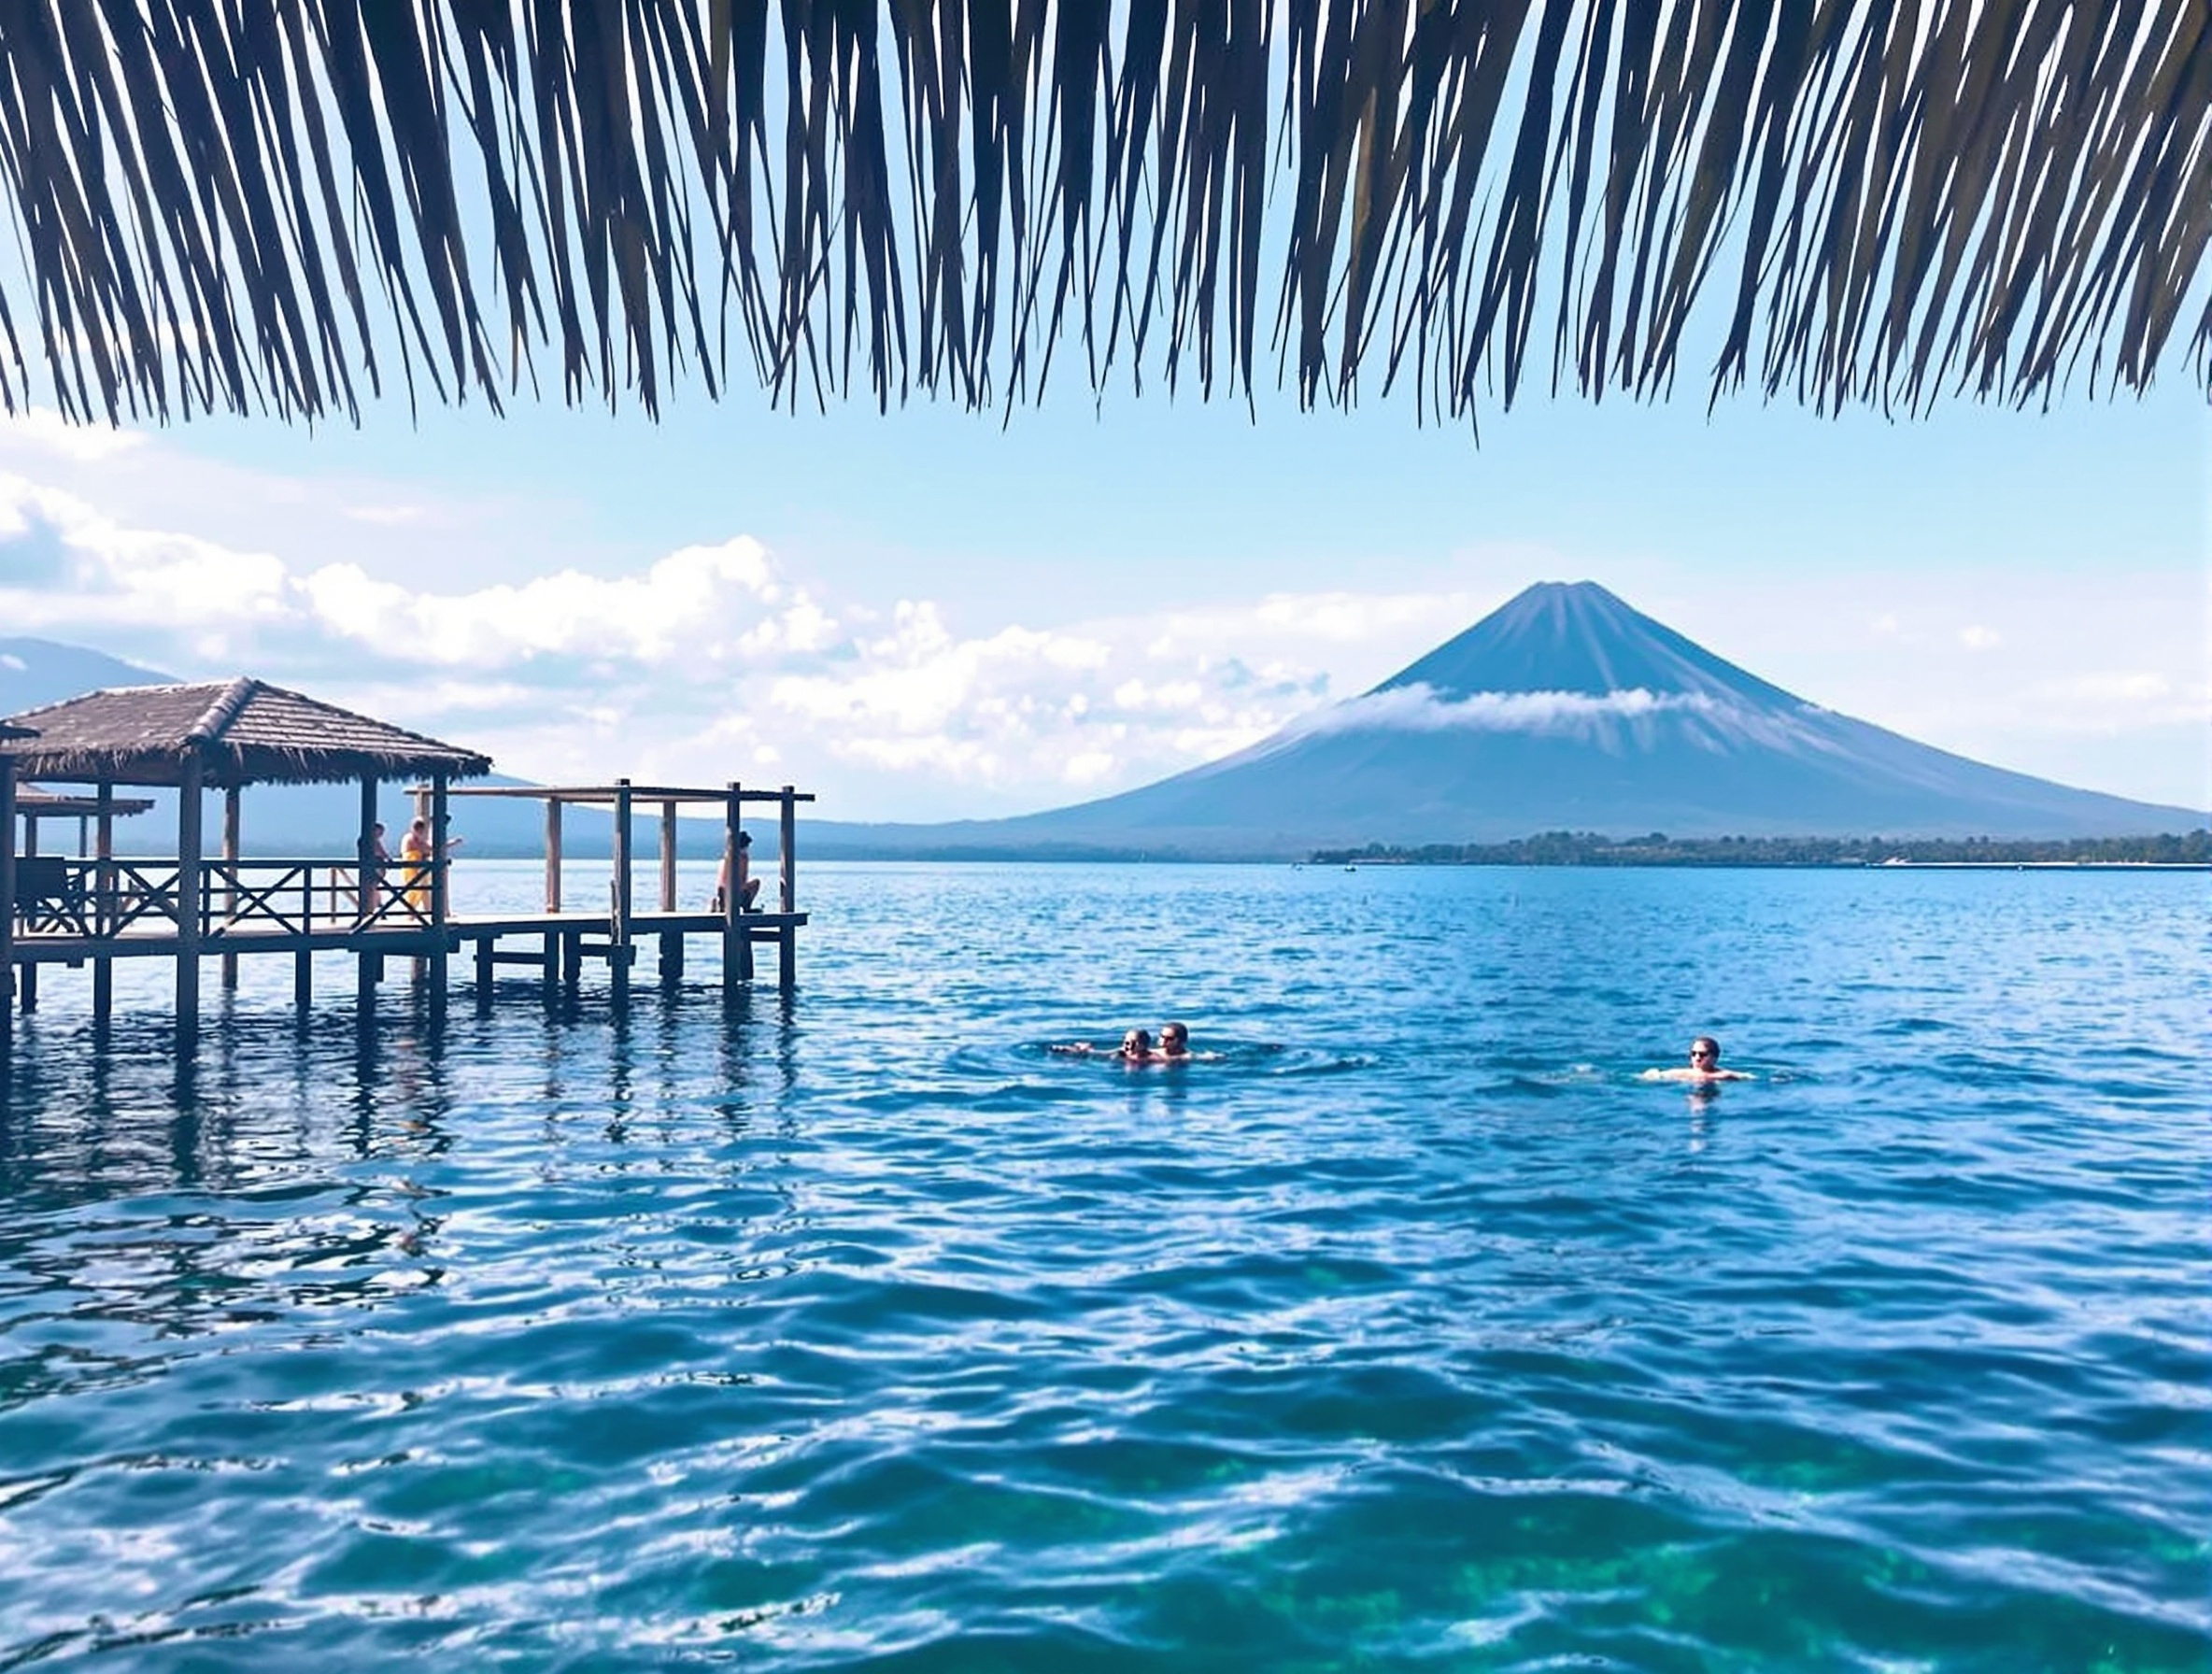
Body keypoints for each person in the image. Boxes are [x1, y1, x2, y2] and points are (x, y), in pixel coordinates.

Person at [398, 816, 463, 919]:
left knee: (421, 889)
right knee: (414, 889)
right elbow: (429, 848)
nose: (423, 833)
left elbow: (428, 847)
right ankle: (411, 914)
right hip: (412, 867)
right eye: (422, 830)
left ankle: (419, 913)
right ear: (417, 829)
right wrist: (452, 843)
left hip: (418, 866)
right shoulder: (411, 838)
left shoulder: (415, 838)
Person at [1640, 1035, 1752, 1083]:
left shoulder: (1723, 1075)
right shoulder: (1682, 1073)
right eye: (1694, 1054)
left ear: (1714, 1057)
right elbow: (1656, 1074)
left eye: (1702, 1054)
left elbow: (1749, 1077)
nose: (1697, 1058)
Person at [714, 830, 762, 914]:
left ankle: (723, 906)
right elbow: (742, 880)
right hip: (732, 891)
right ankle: (746, 907)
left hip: (722, 892)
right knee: (756, 882)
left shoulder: (727, 856)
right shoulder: (742, 858)